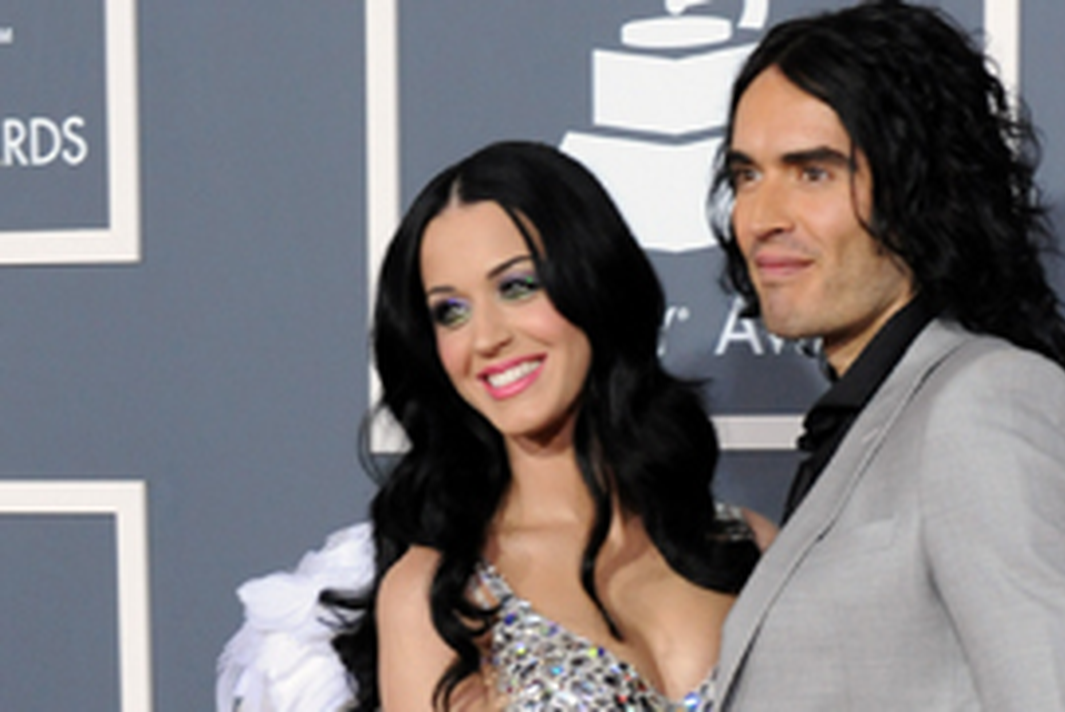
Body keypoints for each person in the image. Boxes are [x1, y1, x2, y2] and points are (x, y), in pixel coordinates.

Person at [705, 2, 1065, 709]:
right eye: (746, 176)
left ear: (921, 188)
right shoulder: (870, 419)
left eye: (813, 173)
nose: (761, 218)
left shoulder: (987, 403)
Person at [232, 141, 770, 712]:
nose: (486, 338)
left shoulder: (751, 546)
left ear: (592, 281)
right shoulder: (437, 596)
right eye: (451, 312)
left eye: (516, 287)